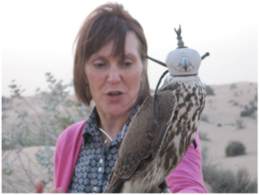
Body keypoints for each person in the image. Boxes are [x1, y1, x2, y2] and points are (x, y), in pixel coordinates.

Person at [36, 2, 207, 193]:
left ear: (142, 69)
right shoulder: (69, 140)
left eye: (126, 63)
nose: (114, 77)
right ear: (83, 71)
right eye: (100, 64)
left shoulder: (170, 122)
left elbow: (188, 186)